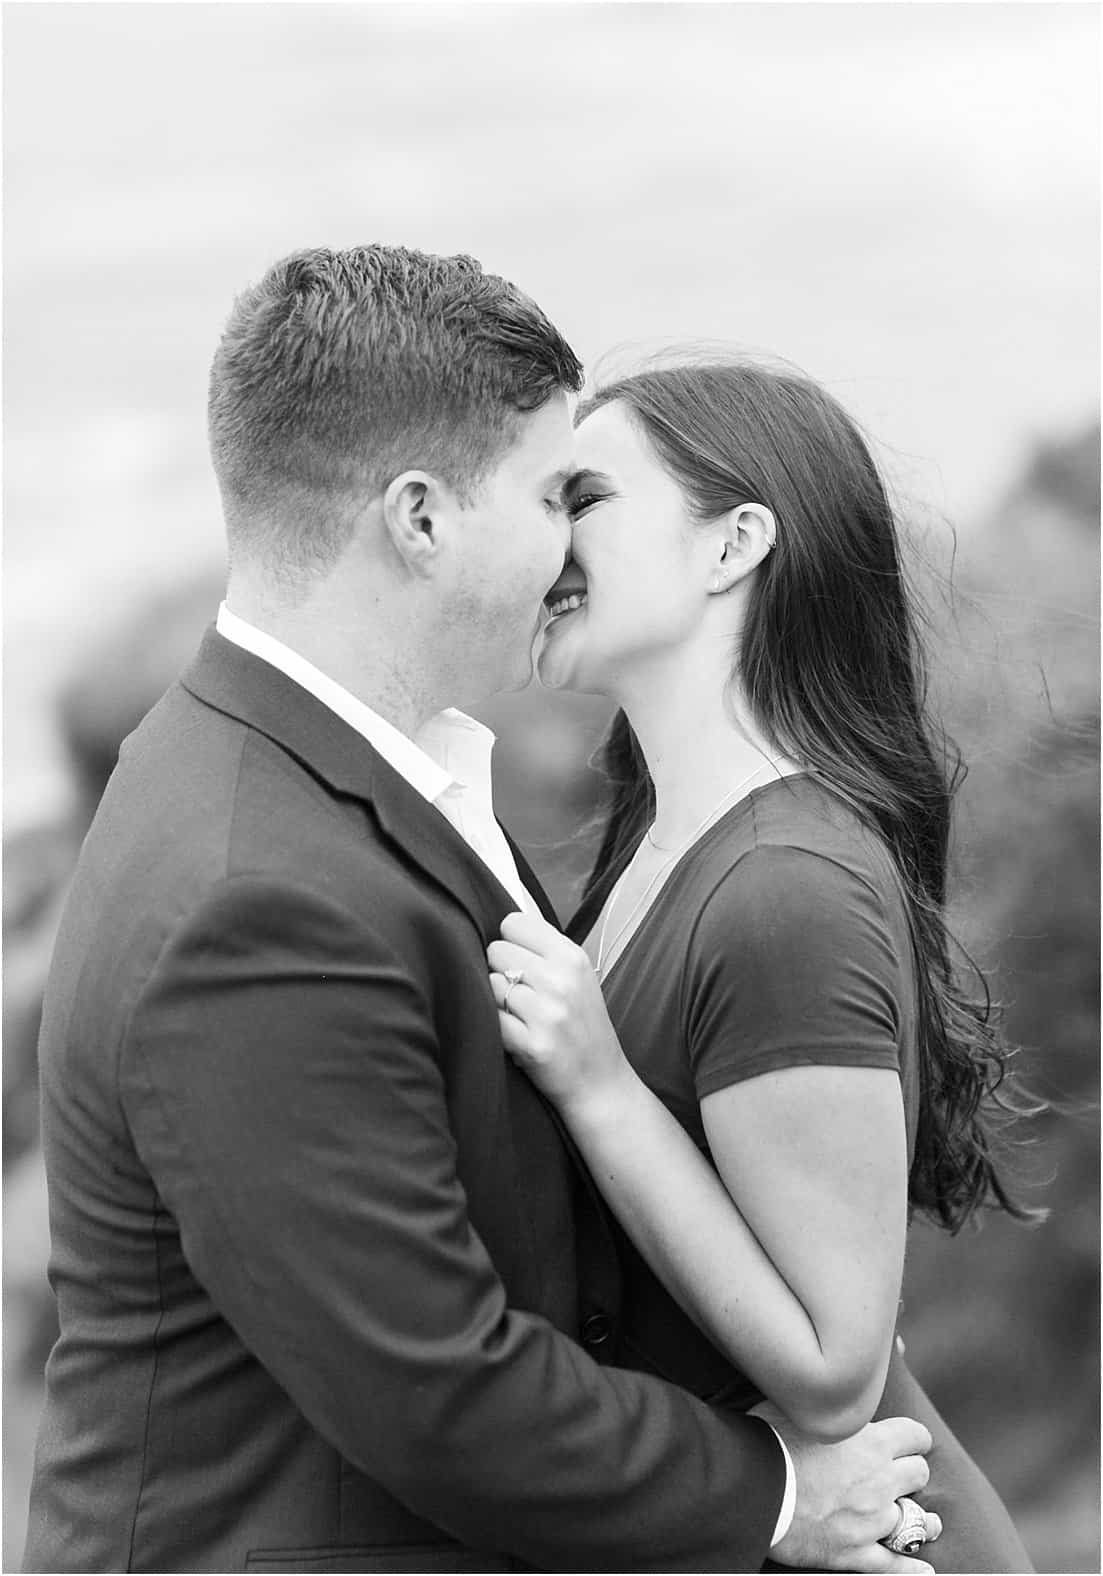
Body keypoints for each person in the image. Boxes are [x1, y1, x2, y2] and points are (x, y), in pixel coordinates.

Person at [23, 248, 938, 1574]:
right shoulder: (257, 897)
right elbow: (442, 1392)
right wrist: (781, 1494)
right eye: (551, 491)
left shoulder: (368, 773)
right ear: (420, 519)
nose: (569, 539)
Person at [487, 360, 1037, 1574]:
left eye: (582, 496)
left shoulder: (786, 885)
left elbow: (834, 1365)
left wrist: (599, 1090)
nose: (544, 537)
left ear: (732, 544)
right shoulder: (659, 842)